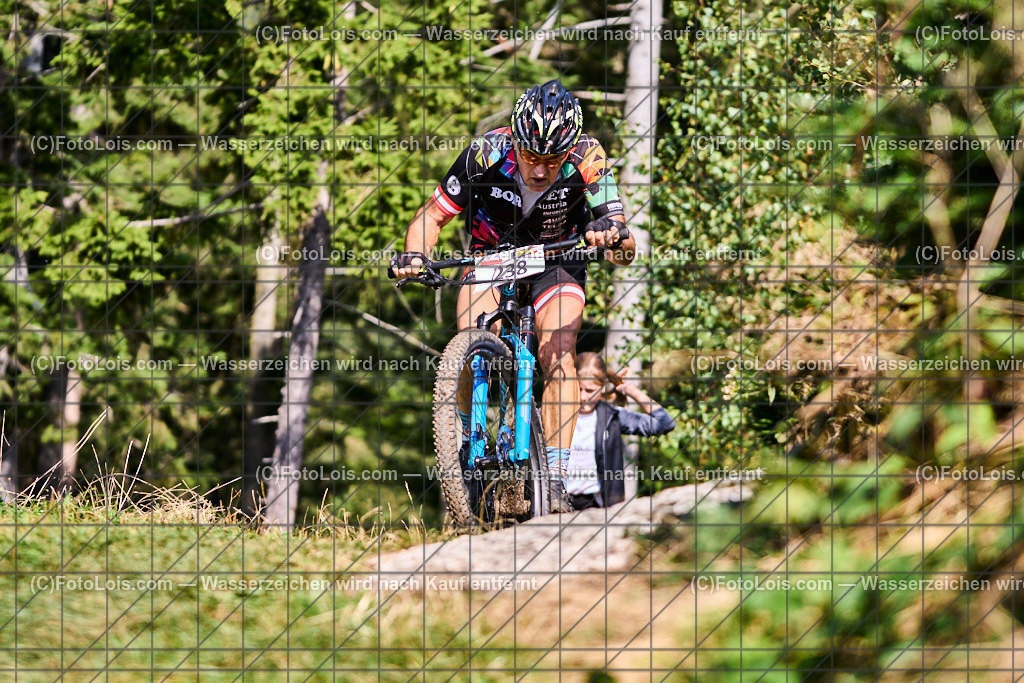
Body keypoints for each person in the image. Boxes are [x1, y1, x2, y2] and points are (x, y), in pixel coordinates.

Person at [391, 80, 635, 512]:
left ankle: (555, 477)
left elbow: (624, 247)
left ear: (569, 149)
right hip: (493, 255)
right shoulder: (484, 153)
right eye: (530, 157)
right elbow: (431, 217)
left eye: (551, 160)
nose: (540, 170)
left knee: (557, 351)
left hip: (557, 259)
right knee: (470, 339)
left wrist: (613, 238)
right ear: (515, 140)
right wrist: (414, 255)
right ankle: (463, 438)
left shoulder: (587, 158)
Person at [567, 353, 675, 510]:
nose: (583, 397)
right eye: (579, 389)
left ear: (603, 387)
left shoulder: (613, 416)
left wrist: (629, 389)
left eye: (590, 391)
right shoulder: (553, 415)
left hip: (595, 505)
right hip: (555, 503)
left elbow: (664, 423)